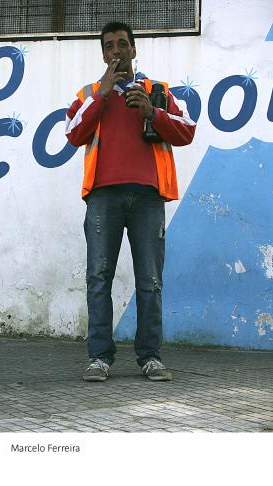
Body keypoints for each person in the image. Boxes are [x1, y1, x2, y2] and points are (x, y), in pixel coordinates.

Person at [65, 21, 196, 382]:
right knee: (98, 277)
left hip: (148, 197)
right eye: (109, 46)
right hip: (102, 196)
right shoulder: (90, 93)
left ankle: (150, 357)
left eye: (123, 44)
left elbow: (188, 130)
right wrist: (102, 95)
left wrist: (152, 112)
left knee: (150, 279)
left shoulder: (158, 91)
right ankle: (99, 357)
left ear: (134, 50)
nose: (116, 51)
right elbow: (73, 133)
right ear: (103, 54)